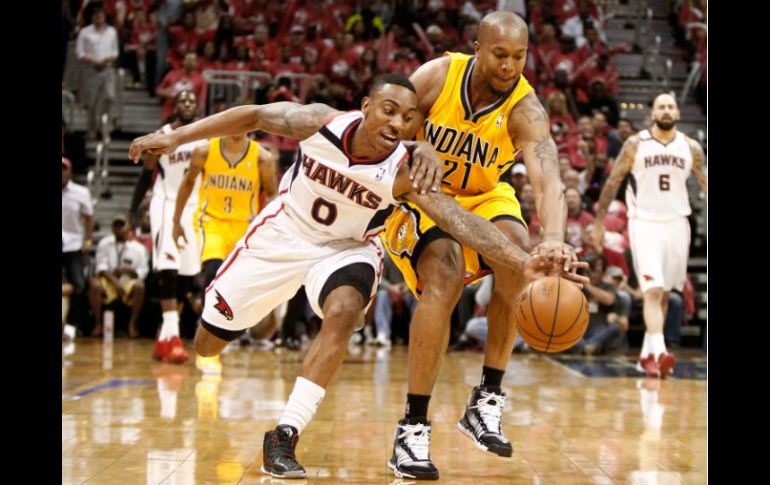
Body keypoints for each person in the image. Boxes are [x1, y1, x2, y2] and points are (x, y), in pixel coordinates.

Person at [128, 74, 585, 480]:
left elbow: (459, 219)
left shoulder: (405, 172)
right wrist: (177, 139)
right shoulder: (319, 123)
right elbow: (250, 115)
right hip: (282, 236)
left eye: (408, 118)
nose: (396, 123)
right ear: (366, 107)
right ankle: (247, 319)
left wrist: (518, 260)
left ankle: (284, 435)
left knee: (344, 312)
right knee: (207, 346)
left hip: (348, 249)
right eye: (387, 110)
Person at [379, 12, 578, 478]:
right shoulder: (435, 78)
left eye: (520, 56)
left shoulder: (527, 109)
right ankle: (412, 427)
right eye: (500, 55)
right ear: (477, 47)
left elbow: (548, 180)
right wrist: (412, 147)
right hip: (425, 195)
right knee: (445, 277)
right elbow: (383, 124)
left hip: (484, 196)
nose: (510, 66)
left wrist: (555, 241)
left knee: (521, 253)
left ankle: (487, 398)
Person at [593, 93, 708, 378]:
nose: (666, 111)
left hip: (678, 225)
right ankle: (659, 353)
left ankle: (645, 357)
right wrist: (598, 222)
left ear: (678, 113)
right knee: (653, 290)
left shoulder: (690, 147)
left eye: (670, 106)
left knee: (665, 294)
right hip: (644, 223)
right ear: (652, 114)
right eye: (661, 107)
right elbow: (612, 182)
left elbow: (705, 182)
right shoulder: (635, 144)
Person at [172, 131, 278, 372]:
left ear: (250, 128)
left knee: (239, 282)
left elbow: (272, 195)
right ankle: (210, 327)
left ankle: (230, 328)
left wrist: (264, 221)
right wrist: (176, 221)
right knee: (213, 270)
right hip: (211, 221)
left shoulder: (263, 158)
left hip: (244, 224)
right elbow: (187, 184)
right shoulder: (205, 151)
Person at [129, 90, 204, 364]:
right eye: (182, 100)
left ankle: (165, 338)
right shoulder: (160, 135)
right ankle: (173, 340)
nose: (187, 104)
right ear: (174, 106)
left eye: (191, 100)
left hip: (194, 207)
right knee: (168, 270)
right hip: (165, 203)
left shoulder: (205, 135)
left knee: (186, 277)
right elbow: (145, 176)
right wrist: (133, 211)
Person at [89, 216, 149, 337]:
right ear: (112, 228)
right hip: (109, 280)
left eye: (122, 225)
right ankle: (98, 324)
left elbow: (143, 272)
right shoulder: (104, 243)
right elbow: (101, 268)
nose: (119, 228)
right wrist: (115, 282)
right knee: (94, 285)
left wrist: (127, 271)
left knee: (140, 286)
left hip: (128, 282)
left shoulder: (139, 248)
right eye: (116, 225)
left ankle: (132, 325)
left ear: (129, 228)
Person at [76, 5, 118, 140]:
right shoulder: (85, 32)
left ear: (104, 17)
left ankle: (105, 129)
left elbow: (115, 52)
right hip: (91, 70)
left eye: (100, 16)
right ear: (92, 18)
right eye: (95, 17)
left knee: (110, 97)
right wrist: (94, 61)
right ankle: (91, 130)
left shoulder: (112, 31)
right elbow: (80, 52)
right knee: (91, 103)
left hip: (107, 68)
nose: (98, 19)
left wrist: (106, 60)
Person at [62, 157, 94, 334]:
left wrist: (88, 239)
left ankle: (71, 325)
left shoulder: (81, 192)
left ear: (70, 171)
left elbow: (88, 216)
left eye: (64, 169)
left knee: (79, 285)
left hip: (73, 243)